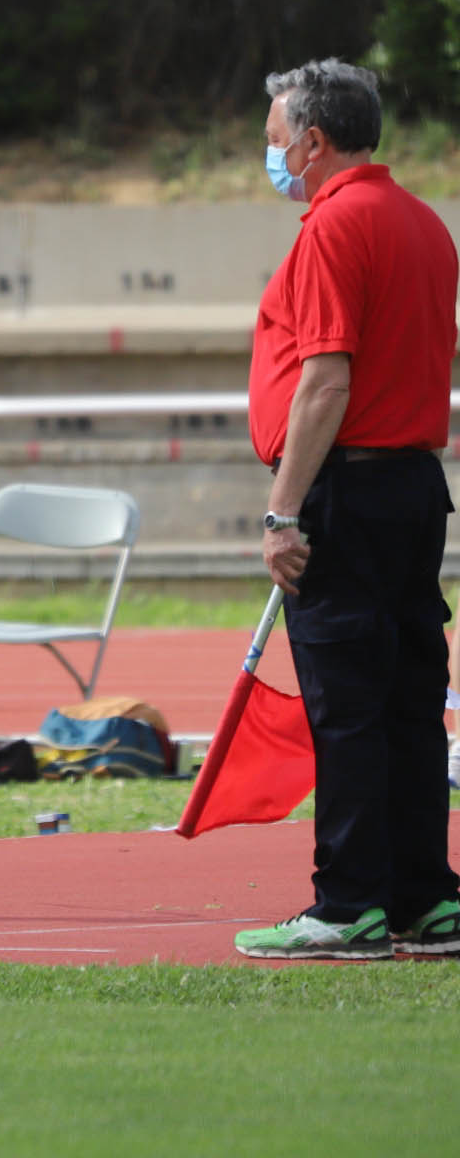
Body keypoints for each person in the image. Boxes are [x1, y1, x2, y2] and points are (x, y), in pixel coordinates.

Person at [237, 59, 460, 960]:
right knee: (410, 697)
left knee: (348, 704)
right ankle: (426, 896)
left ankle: (349, 903)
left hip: (350, 488)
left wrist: (282, 511)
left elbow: (326, 380)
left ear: (313, 140)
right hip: (413, 487)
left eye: (275, 142)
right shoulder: (425, 224)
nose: (272, 158)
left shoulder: (334, 229)